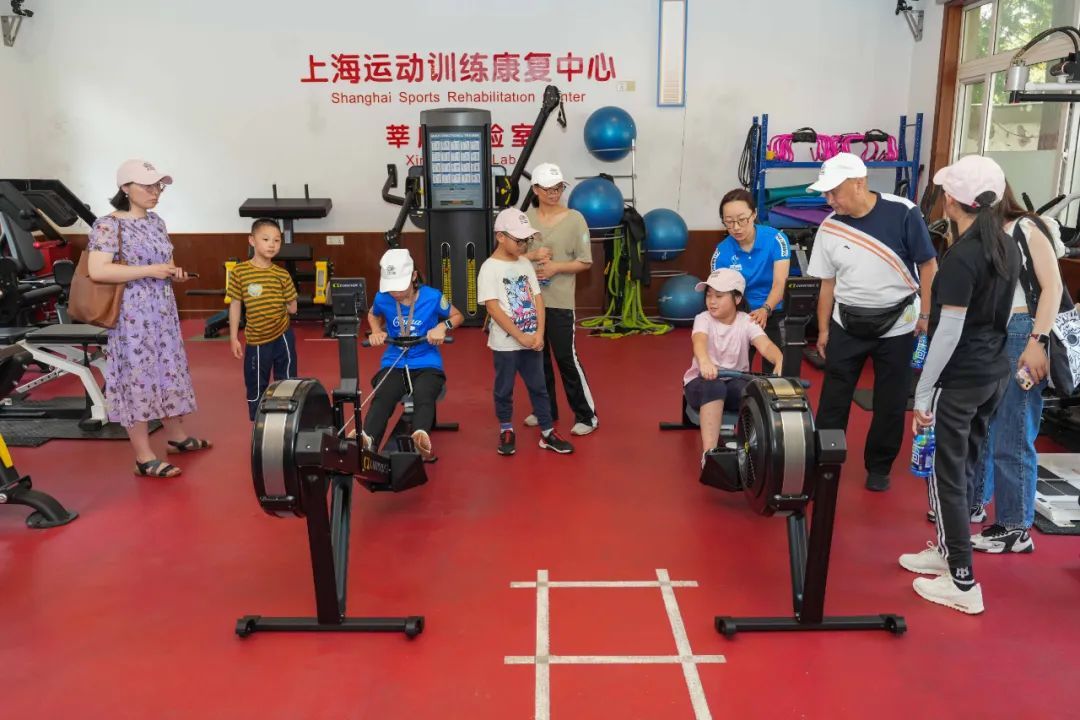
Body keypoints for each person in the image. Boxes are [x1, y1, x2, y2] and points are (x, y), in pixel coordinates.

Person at [899, 155, 1019, 615]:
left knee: (947, 474)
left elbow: (946, 333)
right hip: (992, 374)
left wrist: (923, 392)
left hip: (961, 378)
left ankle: (963, 582)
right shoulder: (1005, 245)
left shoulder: (962, 257)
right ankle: (950, 549)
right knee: (965, 463)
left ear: (951, 200)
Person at [806, 152, 938, 492]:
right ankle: (824, 460)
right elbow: (826, 283)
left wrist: (926, 314)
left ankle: (879, 467)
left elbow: (928, 266)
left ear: (859, 183)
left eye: (834, 191)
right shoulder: (829, 227)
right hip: (847, 322)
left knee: (891, 401)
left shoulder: (904, 212)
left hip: (899, 323)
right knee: (833, 398)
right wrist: (823, 329)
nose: (829, 199)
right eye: (825, 193)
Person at [85, 159, 209, 478]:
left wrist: (173, 273)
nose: (155, 192)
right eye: (147, 186)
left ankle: (177, 437)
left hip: (162, 311)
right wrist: (149, 271)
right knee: (137, 376)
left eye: (158, 186)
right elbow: (98, 270)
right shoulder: (108, 225)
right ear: (125, 188)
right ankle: (143, 456)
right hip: (131, 316)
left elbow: (164, 263)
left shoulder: (156, 222)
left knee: (168, 370)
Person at [965, 184, 1062, 553]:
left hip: (1023, 332)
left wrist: (1037, 341)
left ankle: (1014, 526)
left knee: (1013, 429)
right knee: (985, 423)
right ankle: (977, 501)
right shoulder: (984, 234)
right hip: (994, 334)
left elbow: (1052, 287)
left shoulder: (1026, 228)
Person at [477, 208, 574, 457]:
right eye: (519, 240)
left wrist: (539, 333)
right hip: (506, 343)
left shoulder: (524, 263)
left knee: (539, 387)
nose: (523, 245)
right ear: (500, 236)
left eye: (526, 240)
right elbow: (493, 308)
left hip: (532, 340)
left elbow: (537, 297)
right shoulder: (489, 268)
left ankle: (547, 432)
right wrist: (519, 336)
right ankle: (506, 429)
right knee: (504, 389)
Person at [362, 248, 463, 461]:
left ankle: (421, 438)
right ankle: (368, 440)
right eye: (391, 288)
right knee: (383, 396)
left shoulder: (432, 296)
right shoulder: (382, 297)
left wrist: (442, 327)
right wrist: (376, 330)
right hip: (395, 360)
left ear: (414, 276)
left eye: (400, 287)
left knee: (424, 395)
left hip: (427, 361)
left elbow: (457, 316)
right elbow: (372, 314)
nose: (395, 293)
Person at [522, 162, 599, 436]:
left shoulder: (575, 219)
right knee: (536, 358)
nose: (554, 193)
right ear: (535, 189)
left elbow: (585, 261)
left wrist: (556, 268)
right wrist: (532, 256)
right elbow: (510, 256)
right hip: (531, 302)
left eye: (558, 188)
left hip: (560, 302)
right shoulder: (525, 220)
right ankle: (546, 410)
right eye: (548, 189)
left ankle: (587, 416)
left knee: (566, 358)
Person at [683, 269, 783, 466]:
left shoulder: (746, 321)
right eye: (709, 295)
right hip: (701, 383)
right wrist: (704, 361)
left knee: (754, 390)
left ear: (737, 299)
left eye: (719, 296)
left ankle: (754, 451)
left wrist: (779, 358)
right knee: (715, 386)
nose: (712, 301)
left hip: (733, 383)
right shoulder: (703, 318)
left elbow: (765, 345)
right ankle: (709, 456)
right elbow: (699, 341)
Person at [711, 188, 791, 373]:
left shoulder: (776, 239)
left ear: (754, 214)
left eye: (742, 220)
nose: (736, 228)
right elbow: (719, 294)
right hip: (739, 314)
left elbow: (780, 283)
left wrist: (765, 309)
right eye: (729, 222)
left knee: (778, 368)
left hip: (773, 309)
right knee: (734, 371)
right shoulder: (721, 252)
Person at [227, 218, 298, 420]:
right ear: (252, 240)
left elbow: (293, 308)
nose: (271, 244)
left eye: (276, 240)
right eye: (266, 239)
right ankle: (260, 424)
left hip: (283, 336)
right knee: (256, 383)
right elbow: (235, 304)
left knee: (287, 380)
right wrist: (233, 337)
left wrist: (282, 303)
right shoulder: (240, 272)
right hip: (256, 340)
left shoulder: (282, 275)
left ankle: (287, 421)